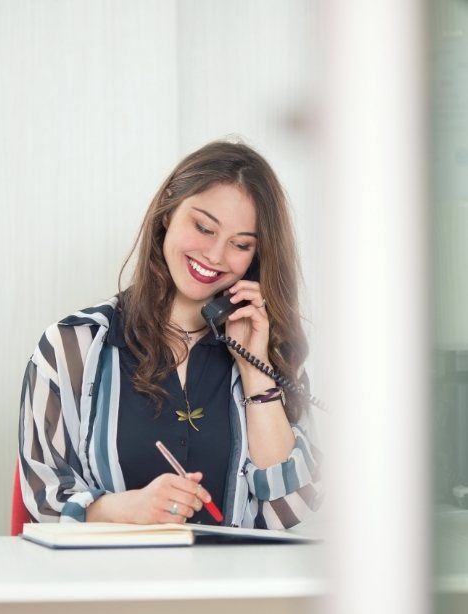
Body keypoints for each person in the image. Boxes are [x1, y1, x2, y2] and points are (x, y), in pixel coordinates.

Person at [18, 139, 323, 529]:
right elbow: (43, 499)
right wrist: (123, 509)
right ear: (167, 213)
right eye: (203, 227)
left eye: (241, 244)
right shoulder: (71, 347)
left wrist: (255, 370)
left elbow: (291, 506)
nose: (215, 255)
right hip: (110, 583)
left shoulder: (271, 352)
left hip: (234, 585)